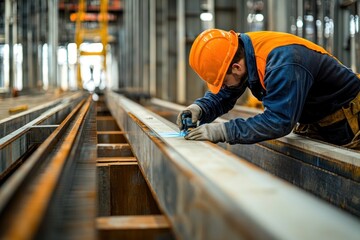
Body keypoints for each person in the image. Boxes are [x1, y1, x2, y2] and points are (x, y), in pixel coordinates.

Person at [176, 29, 360, 149]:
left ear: (236, 68)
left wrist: (222, 131)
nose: (222, 87)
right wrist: (200, 109)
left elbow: (278, 121)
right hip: (318, 118)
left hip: (348, 120)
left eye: (222, 81)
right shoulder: (241, 52)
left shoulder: (283, 63)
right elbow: (226, 93)